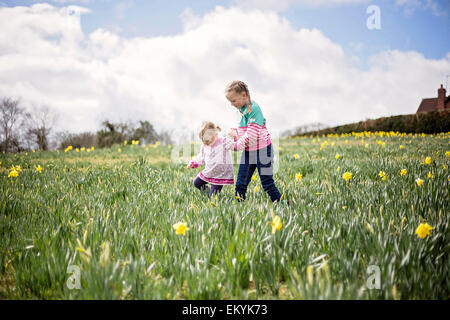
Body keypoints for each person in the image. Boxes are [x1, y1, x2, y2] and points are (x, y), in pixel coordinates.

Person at [225, 80, 284, 203]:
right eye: (230, 102)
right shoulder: (240, 109)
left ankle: (282, 204)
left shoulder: (254, 109)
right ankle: (239, 207)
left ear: (243, 95)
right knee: (241, 182)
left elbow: (251, 135)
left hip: (263, 150)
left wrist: (236, 145)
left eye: (234, 101)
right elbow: (245, 130)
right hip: (248, 151)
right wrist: (236, 133)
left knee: (267, 183)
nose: (232, 104)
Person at [187, 121, 235, 196]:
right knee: (196, 183)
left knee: (214, 196)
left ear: (215, 134)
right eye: (203, 141)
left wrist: (235, 136)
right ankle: (207, 192)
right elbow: (201, 157)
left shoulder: (223, 141)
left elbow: (235, 146)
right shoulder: (205, 145)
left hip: (220, 173)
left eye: (207, 141)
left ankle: (212, 196)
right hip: (210, 171)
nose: (205, 143)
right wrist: (194, 163)